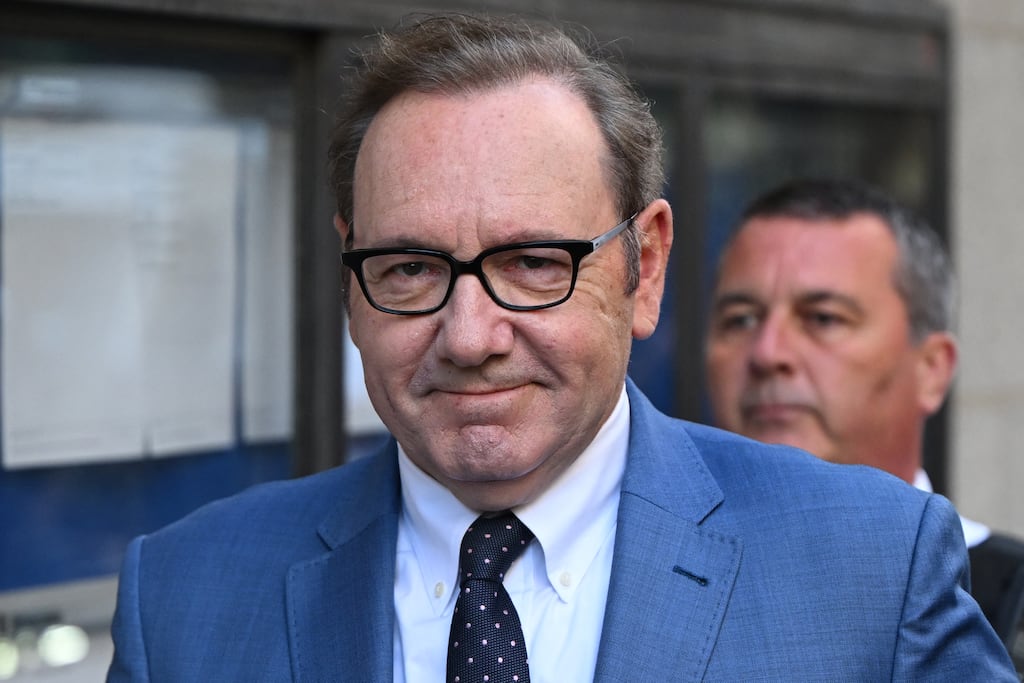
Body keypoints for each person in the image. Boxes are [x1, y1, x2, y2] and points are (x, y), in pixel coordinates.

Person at [107, 14, 1017, 681]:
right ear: (349, 275)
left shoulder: (872, 569)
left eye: (534, 263)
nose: (470, 336)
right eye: (411, 268)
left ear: (645, 269)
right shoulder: (183, 598)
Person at [704, 177, 1024, 656]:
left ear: (931, 369)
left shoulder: (1006, 599)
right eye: (741, 319)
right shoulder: (632, 571)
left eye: (823, 318)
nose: (768, 353)